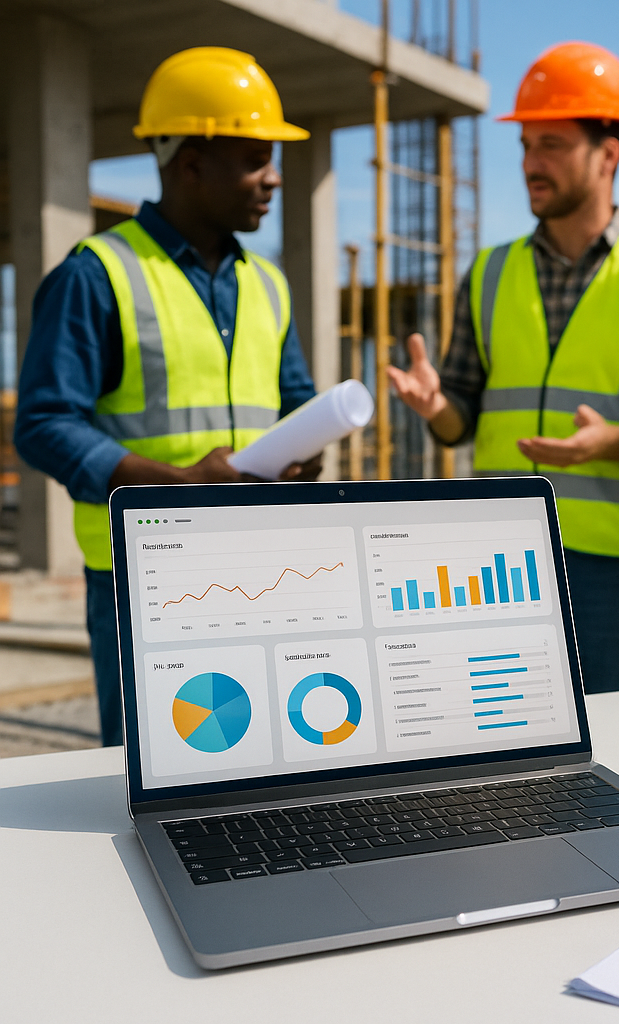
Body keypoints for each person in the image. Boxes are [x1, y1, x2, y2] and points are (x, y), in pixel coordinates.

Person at [388, 42, 619, 694]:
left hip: (613, 569)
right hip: (493, 560)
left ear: (609, 154)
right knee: (493, 760)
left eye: (552, 146)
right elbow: (461, 416)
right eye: (525, 147)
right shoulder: (488, 272)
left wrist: (614, 442)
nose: (531, 165)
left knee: (617, 757)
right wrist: (438, 407)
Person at [15, 47, 322, 745]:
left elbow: (294, 404)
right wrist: (178, 484)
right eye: (255, 157)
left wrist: (305, 453)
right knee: (160, 778)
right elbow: (43, 423)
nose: (273, 178)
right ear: (191, 163)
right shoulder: (98, 275)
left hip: (264, 574)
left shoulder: (268, 285)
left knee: (268, 764)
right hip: (145, 579)